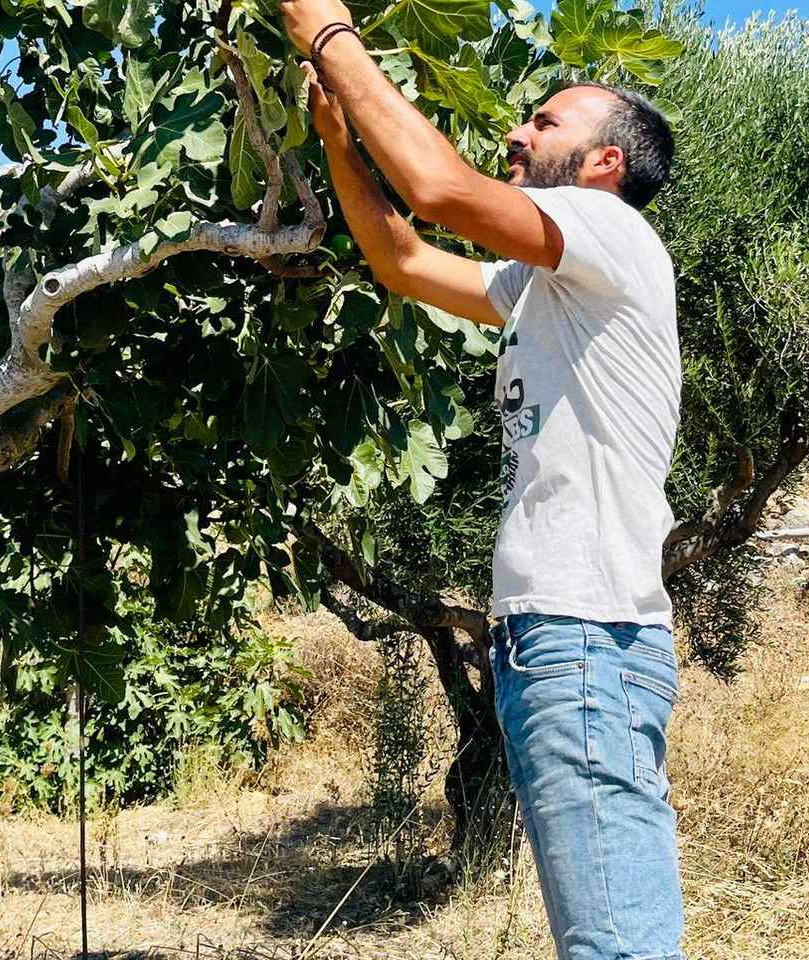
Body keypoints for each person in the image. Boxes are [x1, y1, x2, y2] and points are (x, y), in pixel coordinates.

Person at [278, 2, 685, 958]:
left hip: (585, 636)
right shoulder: (551, 283)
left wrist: (329, 33)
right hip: (564, 640)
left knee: (617, 946)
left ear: (603, 164)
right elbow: (407, 259)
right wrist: (340, 139)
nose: (516, 129)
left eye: (545, 123)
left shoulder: (608, 234)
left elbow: (438, 191)